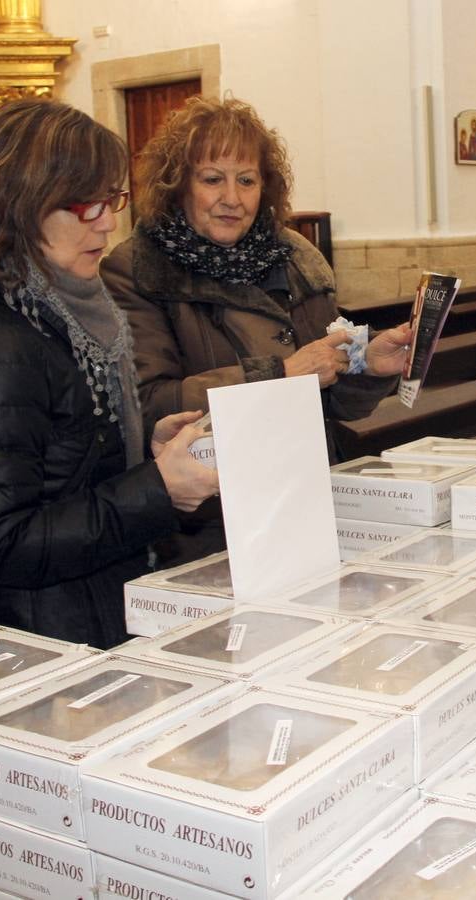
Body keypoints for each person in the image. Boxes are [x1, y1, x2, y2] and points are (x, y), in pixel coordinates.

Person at [0, 98, 220, 648]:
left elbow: (61, 461)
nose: (107, 222)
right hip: (42, 637)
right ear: (18, 202)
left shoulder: (65, 307)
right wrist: (156, 488)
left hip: (92, 606)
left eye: (111, 200)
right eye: (85, 205)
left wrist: (141, 449)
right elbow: (3, 542)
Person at [102, 95, 412, 563]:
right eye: (212, 179)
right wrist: (278, 374)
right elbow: (149, 405)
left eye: (246, 180)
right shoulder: (138, 271)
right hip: (212, 520)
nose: (232, 197)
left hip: (307, 497)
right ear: (178, 185)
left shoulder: (294, 261)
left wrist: (367, 366)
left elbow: (334, 404)